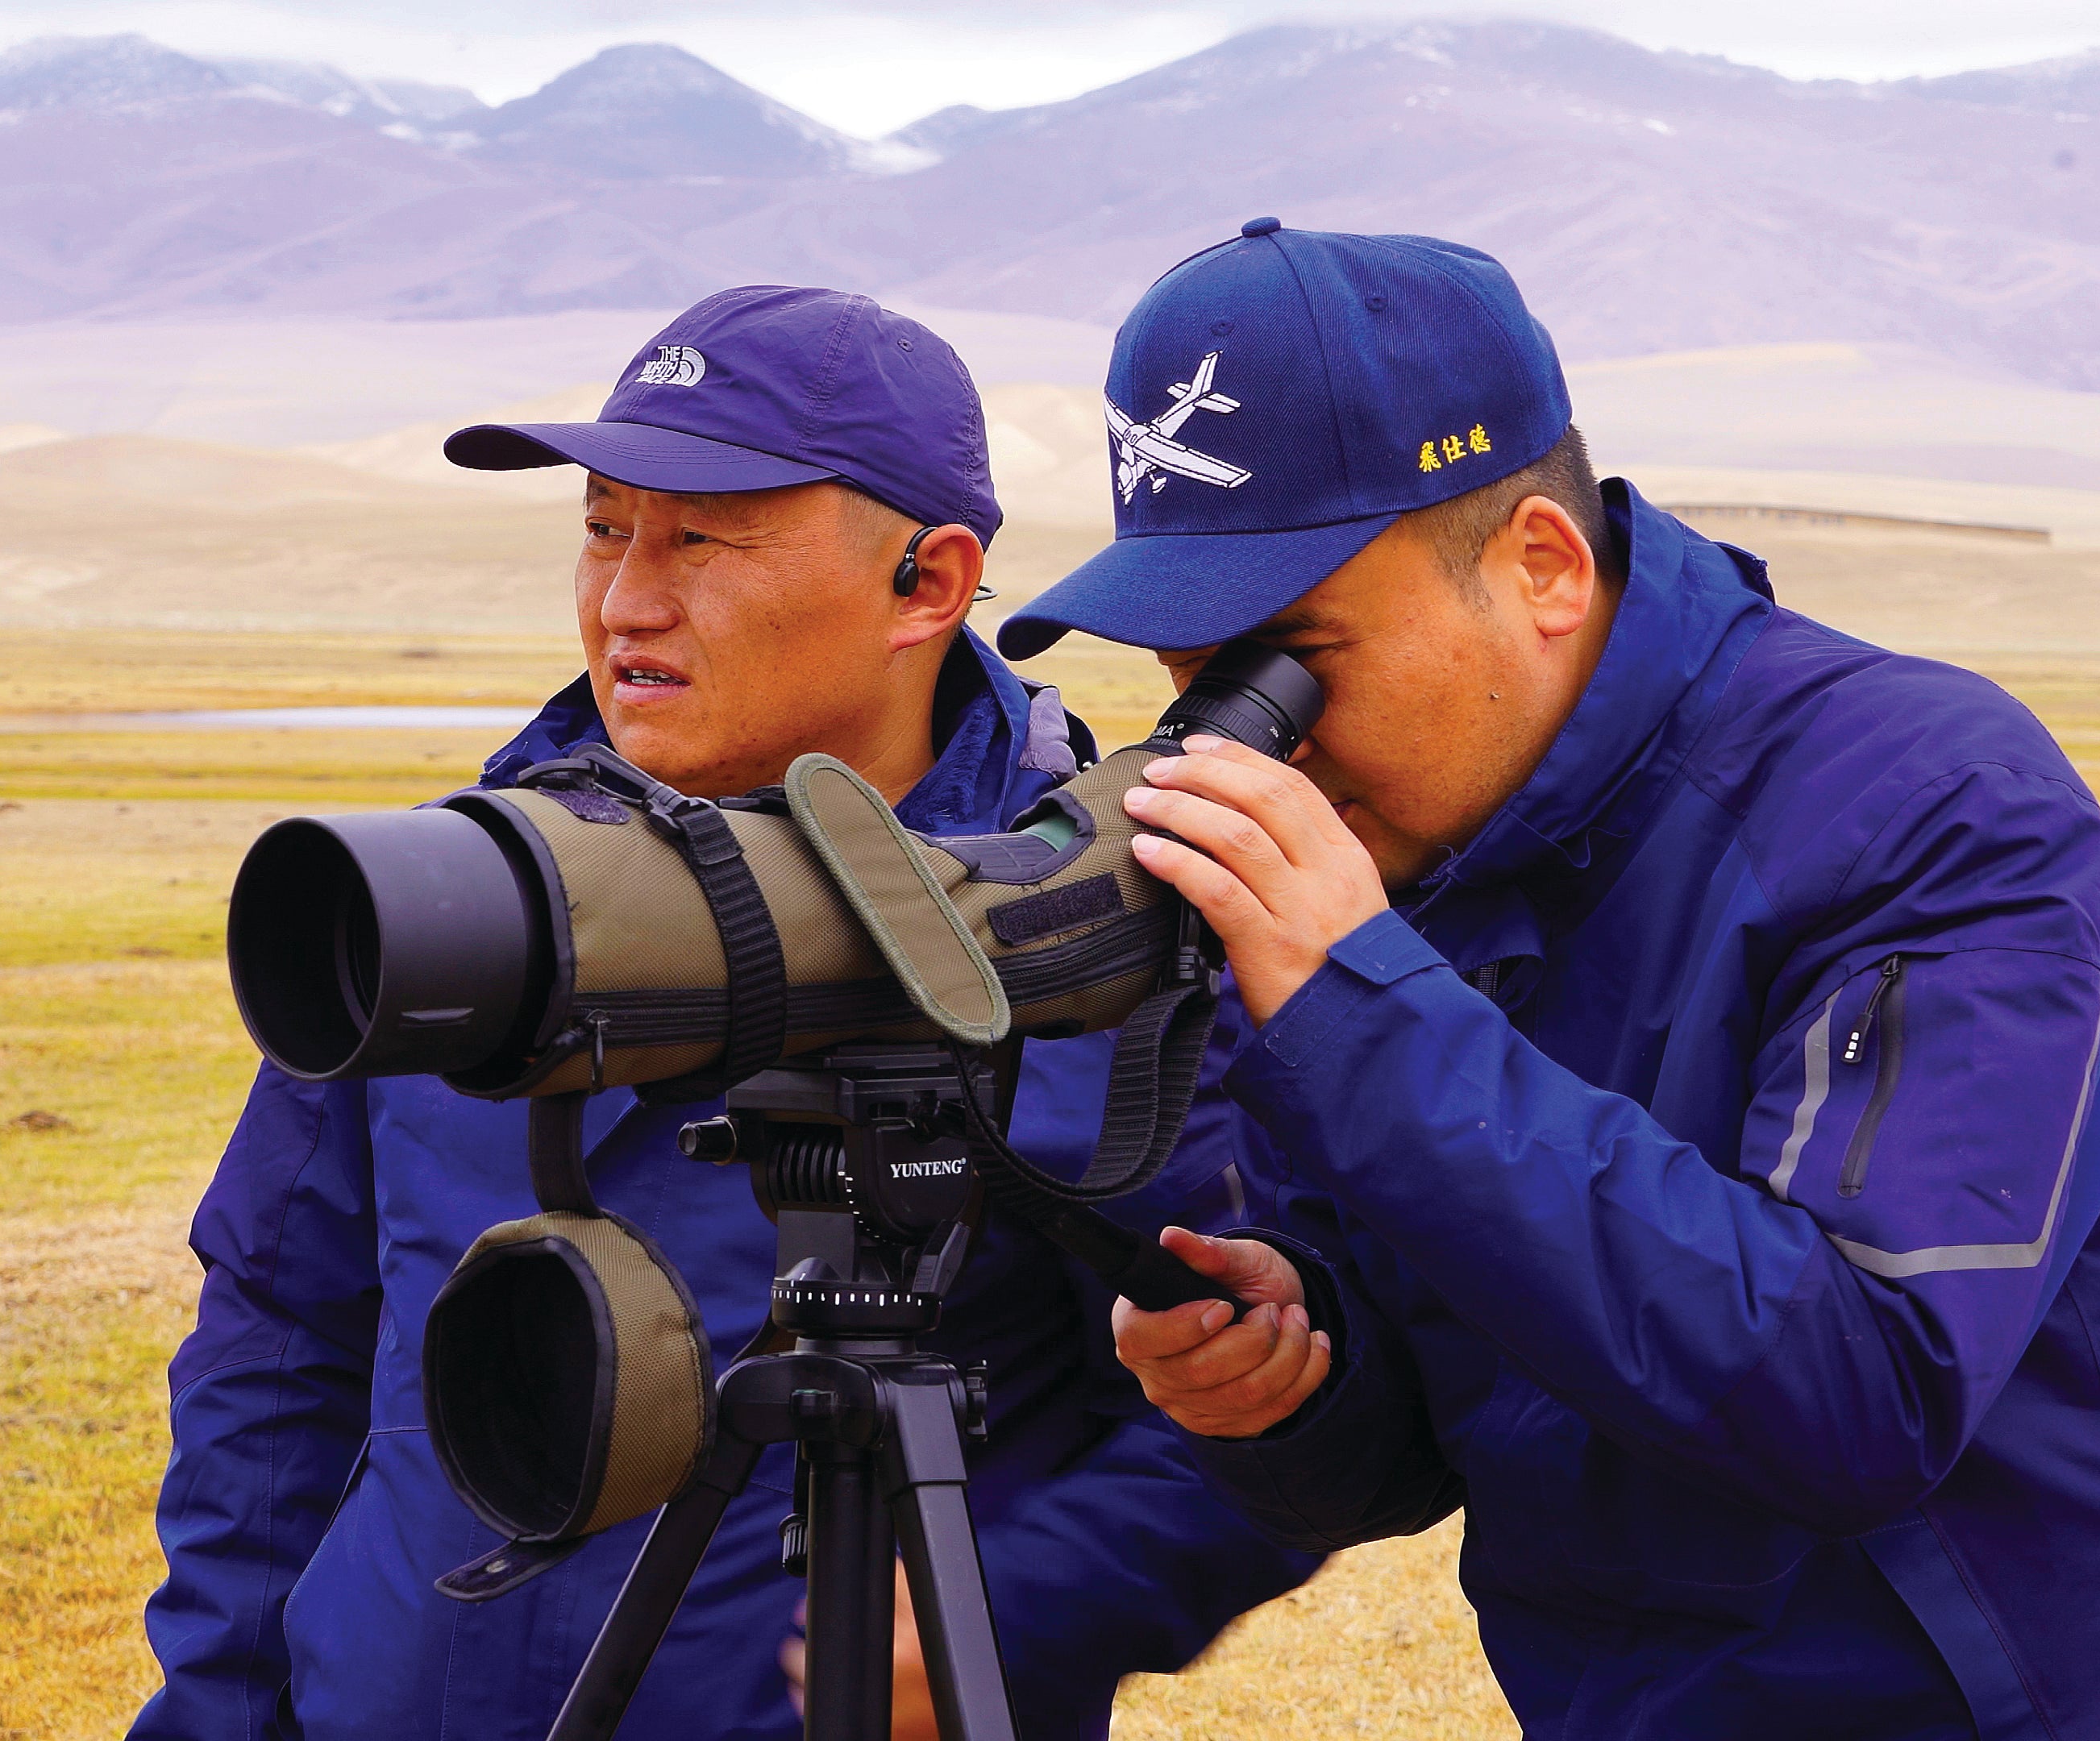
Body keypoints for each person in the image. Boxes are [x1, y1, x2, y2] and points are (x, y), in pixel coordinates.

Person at [1007, 219, 2100, 1739]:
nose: (1245, 742)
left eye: (1294, 659)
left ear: (1543, 568)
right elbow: (1457, 1422)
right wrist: (1293, 1388)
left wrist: (1365, 1011)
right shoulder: (1408, 865)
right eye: (1190, 680)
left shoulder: (1924, 799)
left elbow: (1865, 1387)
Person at [131, 286, 1316, 1741]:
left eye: (702, 537)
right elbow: (275, 1349)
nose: (628, 596)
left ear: (929, 585)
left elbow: (1271, 1422)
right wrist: (217, 1712)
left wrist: (1021, 1613)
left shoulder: (1100, 948)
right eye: (603, 526)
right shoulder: (453, 910)